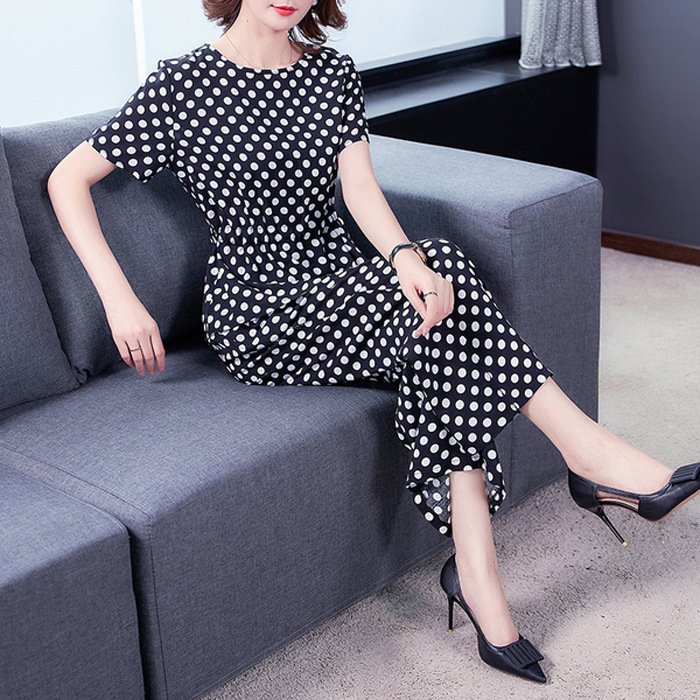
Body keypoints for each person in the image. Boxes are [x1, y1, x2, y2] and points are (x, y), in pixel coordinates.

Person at [47, 0, 699, 684]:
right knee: (443, 301)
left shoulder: (330, 71)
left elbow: (360, 189)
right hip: (258, 313)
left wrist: (403, 257)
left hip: (341, 283)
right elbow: (68, 179)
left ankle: (477, 571)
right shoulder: (183, 84)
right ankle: (585, 455)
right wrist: (119, 297)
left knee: (438, 304)